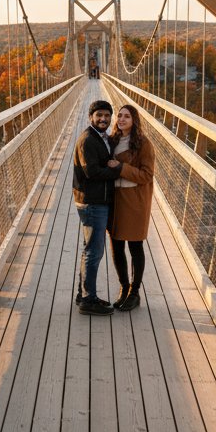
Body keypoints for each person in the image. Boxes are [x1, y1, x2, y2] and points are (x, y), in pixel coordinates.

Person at [73, 98, 120, 315]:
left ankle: (84, 294)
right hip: (92, 202)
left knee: (90, 249)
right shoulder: (87, 140)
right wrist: (117, 170)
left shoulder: (100, 137)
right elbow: (91, 172)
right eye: (99, 115)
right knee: (94, 251)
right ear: (91, 117)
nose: (103, 119)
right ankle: (88, 300)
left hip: (95, 200)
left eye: (107, 115)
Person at [107, 103, 154, 311]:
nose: (122, 119)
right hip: (115, 200)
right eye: (119, 116)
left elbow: (147, 176)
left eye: (127, 116)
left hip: (135, 200)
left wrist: (121, 167)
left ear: (134, 120)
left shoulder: (144, 144)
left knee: (135, 246)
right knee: (116, 246)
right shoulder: (112, 141)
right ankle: (124, 288)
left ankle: (134, 293)